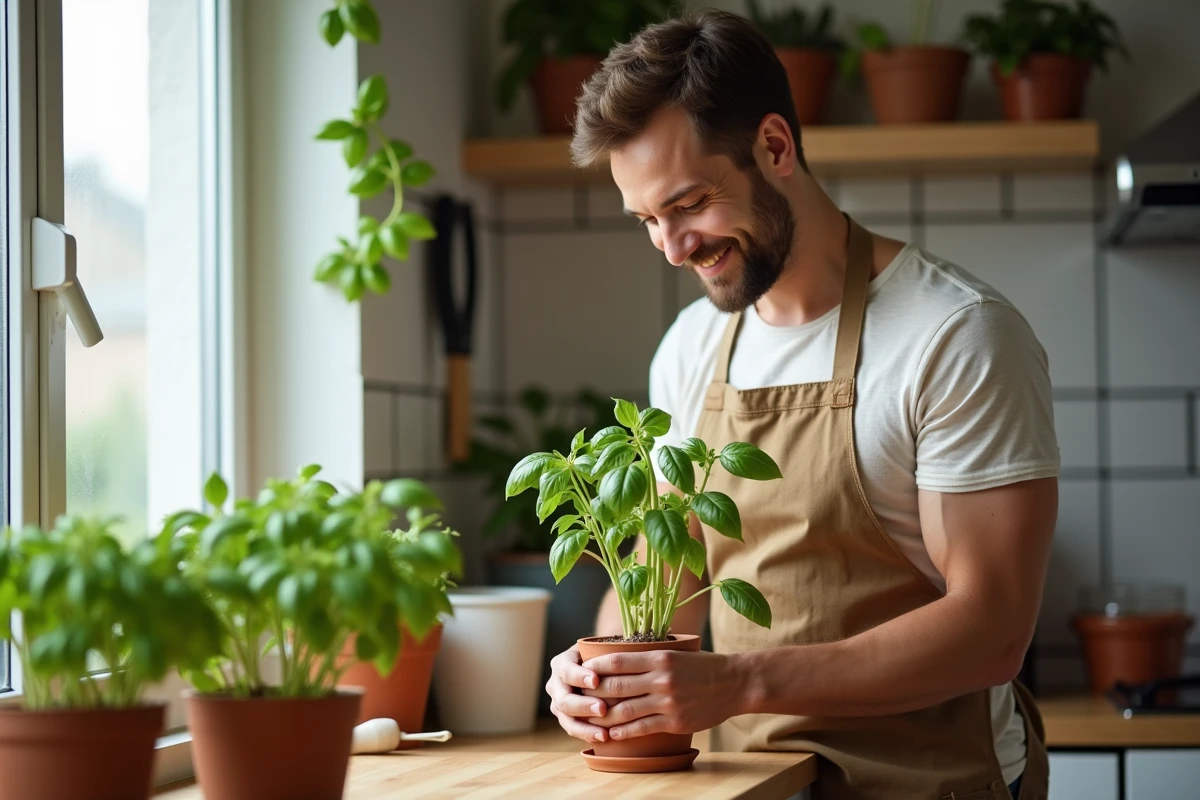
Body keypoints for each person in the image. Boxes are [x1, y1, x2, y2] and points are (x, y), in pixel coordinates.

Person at [542, 10, 1060, 800]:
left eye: (689, 204)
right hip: (754, 781)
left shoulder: (954, 334)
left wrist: (742, 683)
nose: (673, 248)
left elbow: (991, 632)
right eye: (648, 220)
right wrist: (605, 670)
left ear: (775, 146)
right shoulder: (691, 350)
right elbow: (664, 570)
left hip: (931, 779)